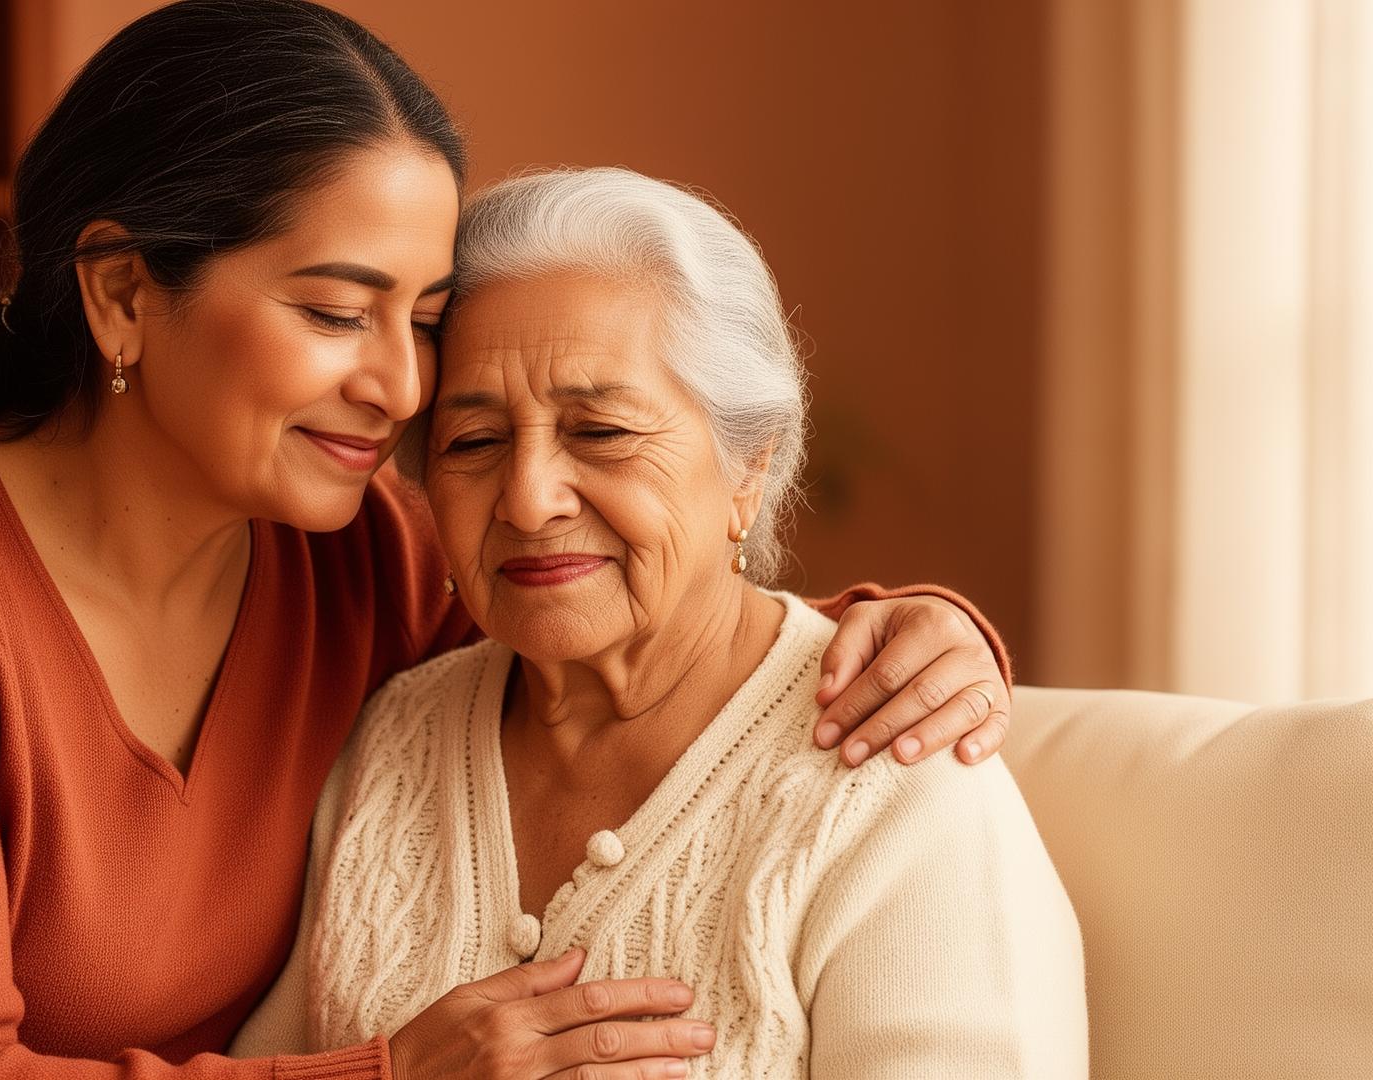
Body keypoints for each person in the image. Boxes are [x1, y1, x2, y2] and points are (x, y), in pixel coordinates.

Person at [0, 5, 1017, 1078]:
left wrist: (907, 628)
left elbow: (618, 612)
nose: (404, 393)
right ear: (120, 295)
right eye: (337, 313)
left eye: (419, 324)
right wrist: (396, 1073)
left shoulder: (355, 556)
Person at [231, 168, 1086, 1078]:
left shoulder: (894, 779)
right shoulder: (390, 743)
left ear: (748, 468)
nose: (527, 499)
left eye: (600, 432)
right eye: (473, 443)